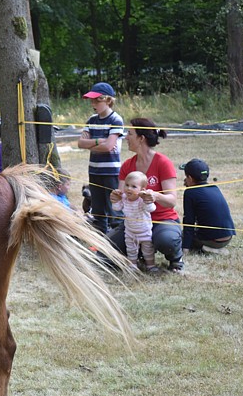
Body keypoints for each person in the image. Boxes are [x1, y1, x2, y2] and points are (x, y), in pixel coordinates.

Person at [109, 118, 184, 273]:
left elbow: (171, 201)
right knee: (107, 251)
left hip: (162, 219)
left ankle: (176, 259)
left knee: (166, 241)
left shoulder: (163, 162)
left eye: (129, 133)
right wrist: (116, 197)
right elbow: (122, 197)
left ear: (141, 138)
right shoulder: (127, 165)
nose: (126, 137)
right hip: (135, 223)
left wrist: (155, 196)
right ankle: (142, 252)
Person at [77, 82, 124, 233]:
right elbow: (80, 143)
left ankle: (117, 242)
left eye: (97, 100)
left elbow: (108, 147)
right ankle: (100, 241)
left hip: (111, 172)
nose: (93, 103)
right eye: (92, 100)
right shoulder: (91, 120)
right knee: (97, 210)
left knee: (114, 209)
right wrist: (98, 141)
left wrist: (91, 145)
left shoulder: (116, 120)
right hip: (94, 170)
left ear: (108, 100)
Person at [180, 158, 236, 255]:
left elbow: (189, 222)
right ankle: (215, 247)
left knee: (177, 235)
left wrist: (185, 248)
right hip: (228, 238)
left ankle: (209, 248)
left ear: (190, 178)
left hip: (212, 240)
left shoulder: (190, 193)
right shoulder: (215, 188)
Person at [112, 171, 158, 273]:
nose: (129, 188)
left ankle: (151, 265)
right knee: (131, 250)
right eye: (127, 185)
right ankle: (132, 265)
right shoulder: (124, 198)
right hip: (130, 232)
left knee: (148, 250)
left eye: (133, 186)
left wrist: (147, 200)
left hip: (144, 232)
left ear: (142, 190)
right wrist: (115, 201)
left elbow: (151, 209)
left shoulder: (142, 200)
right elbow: (116, 208)